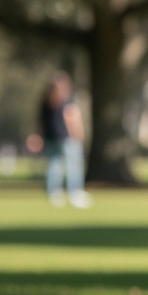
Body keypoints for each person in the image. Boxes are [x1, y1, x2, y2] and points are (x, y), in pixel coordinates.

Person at [39, 72, 92, 208]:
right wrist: (78, 133)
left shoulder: (46, 102)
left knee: (54, 166)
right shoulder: (67, 101)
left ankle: (54, 193)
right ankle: (74, 192)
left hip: (51, 137)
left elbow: (41, 122)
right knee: (74, 166)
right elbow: (71, 117)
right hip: (68, 138)